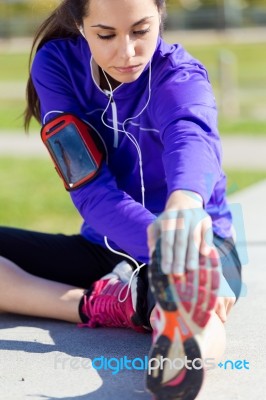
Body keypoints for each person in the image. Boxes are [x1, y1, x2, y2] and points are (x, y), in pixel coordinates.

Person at [0, 0, 242, 399]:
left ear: (160, 17)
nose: (127, 52)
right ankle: (105, 304)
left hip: (196, 244)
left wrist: (185, 203)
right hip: (106, 245)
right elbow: (88, 186)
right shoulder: (56, 64)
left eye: (141, 30)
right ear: (80, 25)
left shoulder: (180, 74)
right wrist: (155, 239)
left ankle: (166, 339)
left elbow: (191, 134)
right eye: (106, 35)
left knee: (187, 315)